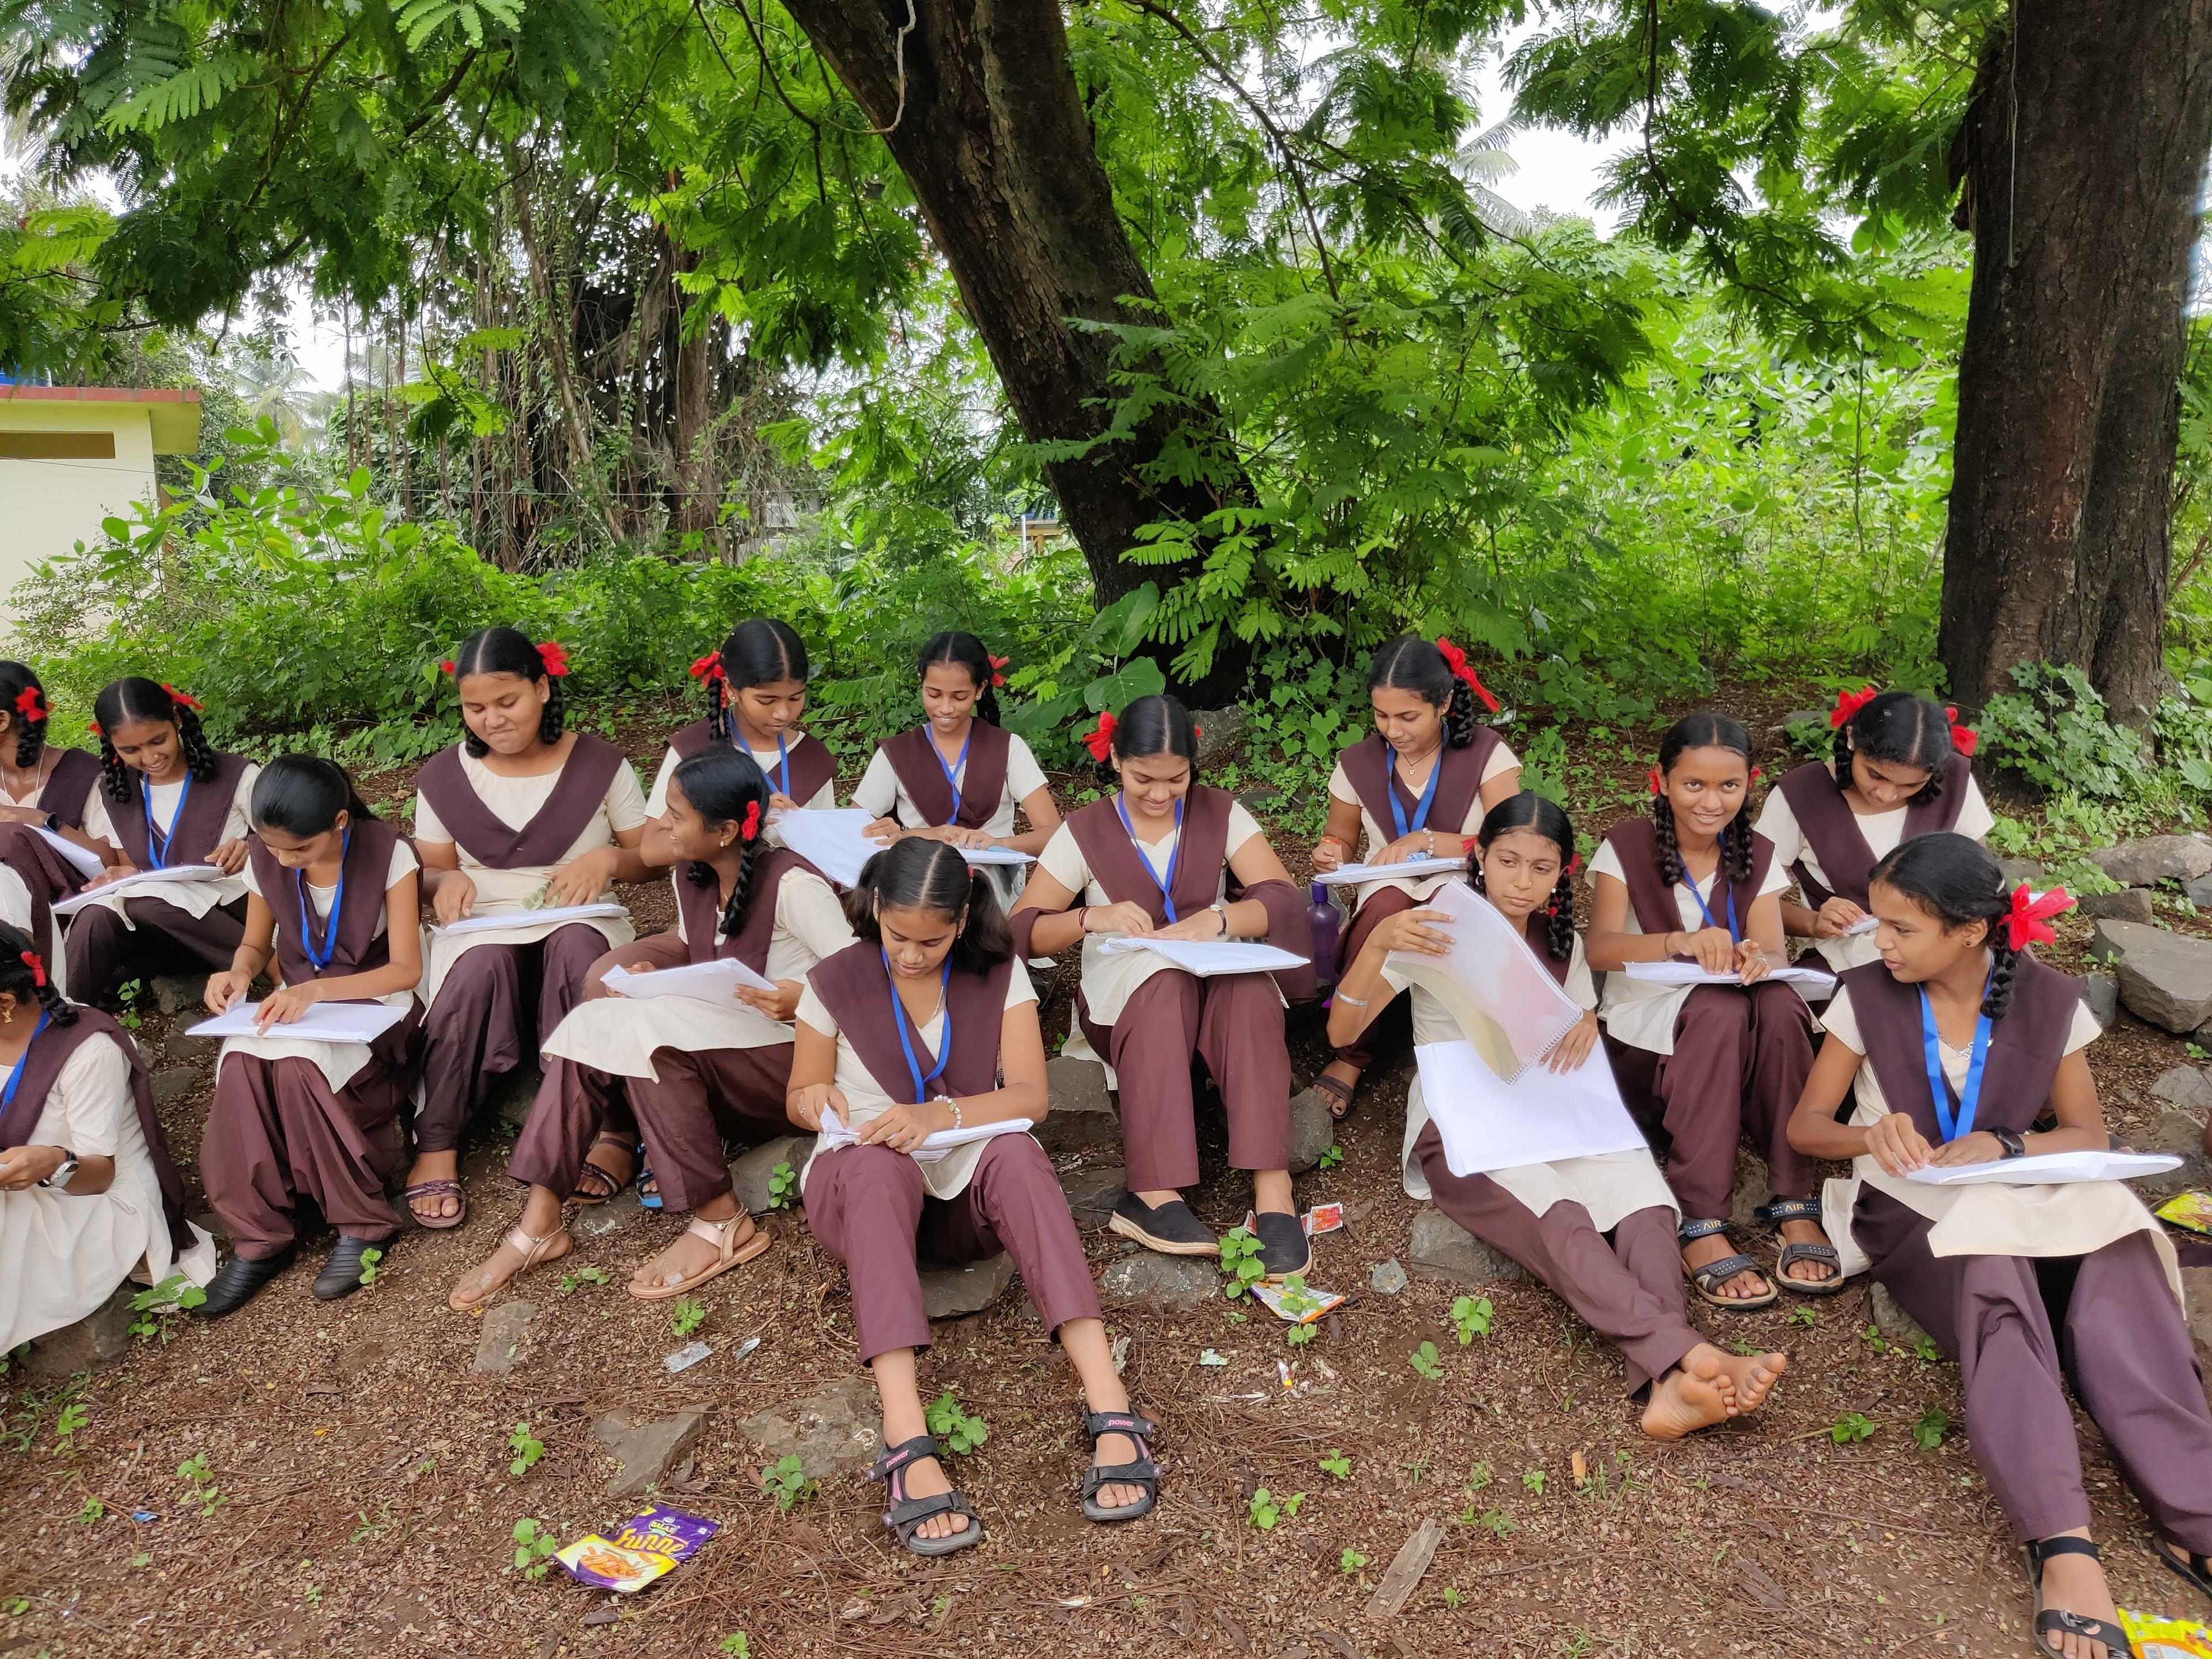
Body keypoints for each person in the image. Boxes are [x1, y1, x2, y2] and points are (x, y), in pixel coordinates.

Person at [1786, 834, 2212, 1659]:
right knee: (1993, 1271)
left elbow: (2087, 1135)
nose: (1880, 941)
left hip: (2017, 1189)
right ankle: (2062, 1539)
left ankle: (2196, 1507)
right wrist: (1870, 1134)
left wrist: (2009, 1143)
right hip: (1913, 1204)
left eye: (1902, 928)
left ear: (1970, 931)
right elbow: (1806, 1126)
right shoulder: (1865, 994)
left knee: (2119, 1239)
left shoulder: (2047, 1000)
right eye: (1879, 923)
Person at [1329, 793, 1787, 1437]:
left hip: (1553, 1107)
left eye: (1541, 868)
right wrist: (1378, 942)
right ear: (1479, 858)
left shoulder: (1560, 940)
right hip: (1464, 1123)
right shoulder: (1436, 925)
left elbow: (1569, 1023)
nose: (1523, 881)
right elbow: (1342, 1031)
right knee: (1560, 1213)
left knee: (1646, 1204)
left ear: (1562, 874)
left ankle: (1670, 1386)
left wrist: (1588, 1019)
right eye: (1508, 861)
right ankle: (1689, 1357)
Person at [793, 839, 1158, 1554]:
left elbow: (1030, 1097)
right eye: (897, 936)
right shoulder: (835, 978)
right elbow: (801, 1090)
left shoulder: (996, 973)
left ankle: (1109, 1402)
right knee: (874, 1170)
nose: (911, 954)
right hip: (863, 1192)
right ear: (875, 909)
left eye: (931, 941)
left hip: (960, 1188)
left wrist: (938, 1116)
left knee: (1019, 1156)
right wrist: (812, 1099)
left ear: (962, 922)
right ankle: (906, 1435)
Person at [450, 747, 855, 1309]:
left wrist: (803, 997)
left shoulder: (793, 886)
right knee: (600, 1017)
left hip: (791, 1067)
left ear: (726, 832)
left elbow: (865, 980)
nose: (661, 824)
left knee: (652, 1042)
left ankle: (721, 1221)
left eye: (676, 815)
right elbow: (710, 958)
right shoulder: (694, 873)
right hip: (728, 1047)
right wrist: (660, 980)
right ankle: (539, 1223)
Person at [1011, 695, 1316, 1275]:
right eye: (1142, 779)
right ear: (1116, 761)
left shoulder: (1219, 813)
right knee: (1164, 985)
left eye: (1176, 779)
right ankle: (1153, 1193)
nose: (1159, 794)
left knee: (1251, 989)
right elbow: (1023, 929)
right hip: (1129, 1002)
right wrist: (1089, 917)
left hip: (1215, 986)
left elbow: (1279, 898)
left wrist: (1220, 919)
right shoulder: (1085, 831)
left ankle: (1273, 1191)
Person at [1586, 711, 1838, 1307]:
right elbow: (1599, 948)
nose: (1711, 801)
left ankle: (1794, 1198)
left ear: (1750, 784)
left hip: (1732, 1044)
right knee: (1718, 1010)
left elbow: (1772, 949)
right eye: (1693, 784)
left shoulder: (1756, 852)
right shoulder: (1626, 847)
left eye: (1729, 786)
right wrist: (1678, 942)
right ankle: (1699, 1215)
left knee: (1779, 1001)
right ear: (1661, 780)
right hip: (1647, 1048)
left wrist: (1754, 957)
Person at [407, 629, 650, 1229]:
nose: (492, 720)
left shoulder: (600, 765)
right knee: (478, 970)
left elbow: (651, 857)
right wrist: (445, 881)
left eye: (506, 701)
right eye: (475, 707)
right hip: (484, 922)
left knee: (580, 955)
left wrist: (608, 860)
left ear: (542, 689)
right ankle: (437, 1138)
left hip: (578, 912)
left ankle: (613, 1126)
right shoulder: (445, 777)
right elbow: (430, 872)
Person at [195, 757, 424, 1313]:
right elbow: (256, 944)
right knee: (242, 1062)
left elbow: (405, 970)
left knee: (299, 1066)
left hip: (376, 1004)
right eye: (272, 848)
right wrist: (239, 973)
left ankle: (361, 1221)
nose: (283, 860)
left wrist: (317, 991)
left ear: (340, 821)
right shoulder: (266, 854)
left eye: (298, 849)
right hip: (298, 1003)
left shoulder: (388, 852)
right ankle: (259, 1235)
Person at [1309, 636, 1521, 1120]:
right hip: (1389, 882)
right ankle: (1354, 1052)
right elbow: (1341, 835)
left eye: (1408, 717)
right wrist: (1332, 850)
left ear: (1443, 704)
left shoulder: (1486, 754)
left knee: (1445, 906)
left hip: (1464, 876)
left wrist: (1429, 840)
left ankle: (1455, 1039)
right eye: (1382, 716)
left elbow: (1512, 844)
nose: (1393, 730)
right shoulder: (1358, 762)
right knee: (1385, 908)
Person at [0, 922, 214, 1355]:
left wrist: (52, 1162)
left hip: (89, 1200)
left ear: (5, 1003)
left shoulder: (88, 1051)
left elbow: (99, 1175)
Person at [1756, 687, 1993, 974]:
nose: (1886, 795)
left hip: (1942, 957)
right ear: (1852, 738)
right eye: (1875, 775)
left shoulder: (1955, 786)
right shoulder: (1801, 794)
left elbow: (1981, 884)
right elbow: (1752, 899)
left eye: (1911, 785)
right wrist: (1813, 923)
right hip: (1841, 964)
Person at [65, 679, 259, 1009]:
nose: (150, 757)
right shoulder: (115, 791)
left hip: (234, 924)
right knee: (96, 914)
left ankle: (271, 964)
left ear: (177, 720)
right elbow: (134, 865)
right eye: (131, 750)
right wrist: (122, 874)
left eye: (158, 741)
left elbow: (296, 844)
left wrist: (253, 848)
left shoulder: (236, 776)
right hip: (164, 936)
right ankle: (64, 1015)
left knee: (146, 904)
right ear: (111, 744)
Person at [853, 631, 1061, 912]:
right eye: (934, 694)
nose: (946, 708)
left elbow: (1053, 833)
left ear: (980, 689)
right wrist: (905, 834)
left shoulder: (1008, 748)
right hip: (913, 878)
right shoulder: (898, 753)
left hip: (986, 882)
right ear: (921, 682)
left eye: (960, 696)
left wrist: (997, 843)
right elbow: (852, 829)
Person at [647, 619, 835, 850]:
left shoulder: (812, 757)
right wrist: (740, 825)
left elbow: (827, 844)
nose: (783, 713)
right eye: (767, 700)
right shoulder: (693, 748)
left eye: (795, 698)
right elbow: (651, 849)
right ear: (731, 689)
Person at [0, 662, 110, 963]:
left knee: (11, 838)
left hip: (66, 906)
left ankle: (20, 962)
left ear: (3, 720)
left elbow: (110, 860)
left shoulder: (82, 772)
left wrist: (39, 820)